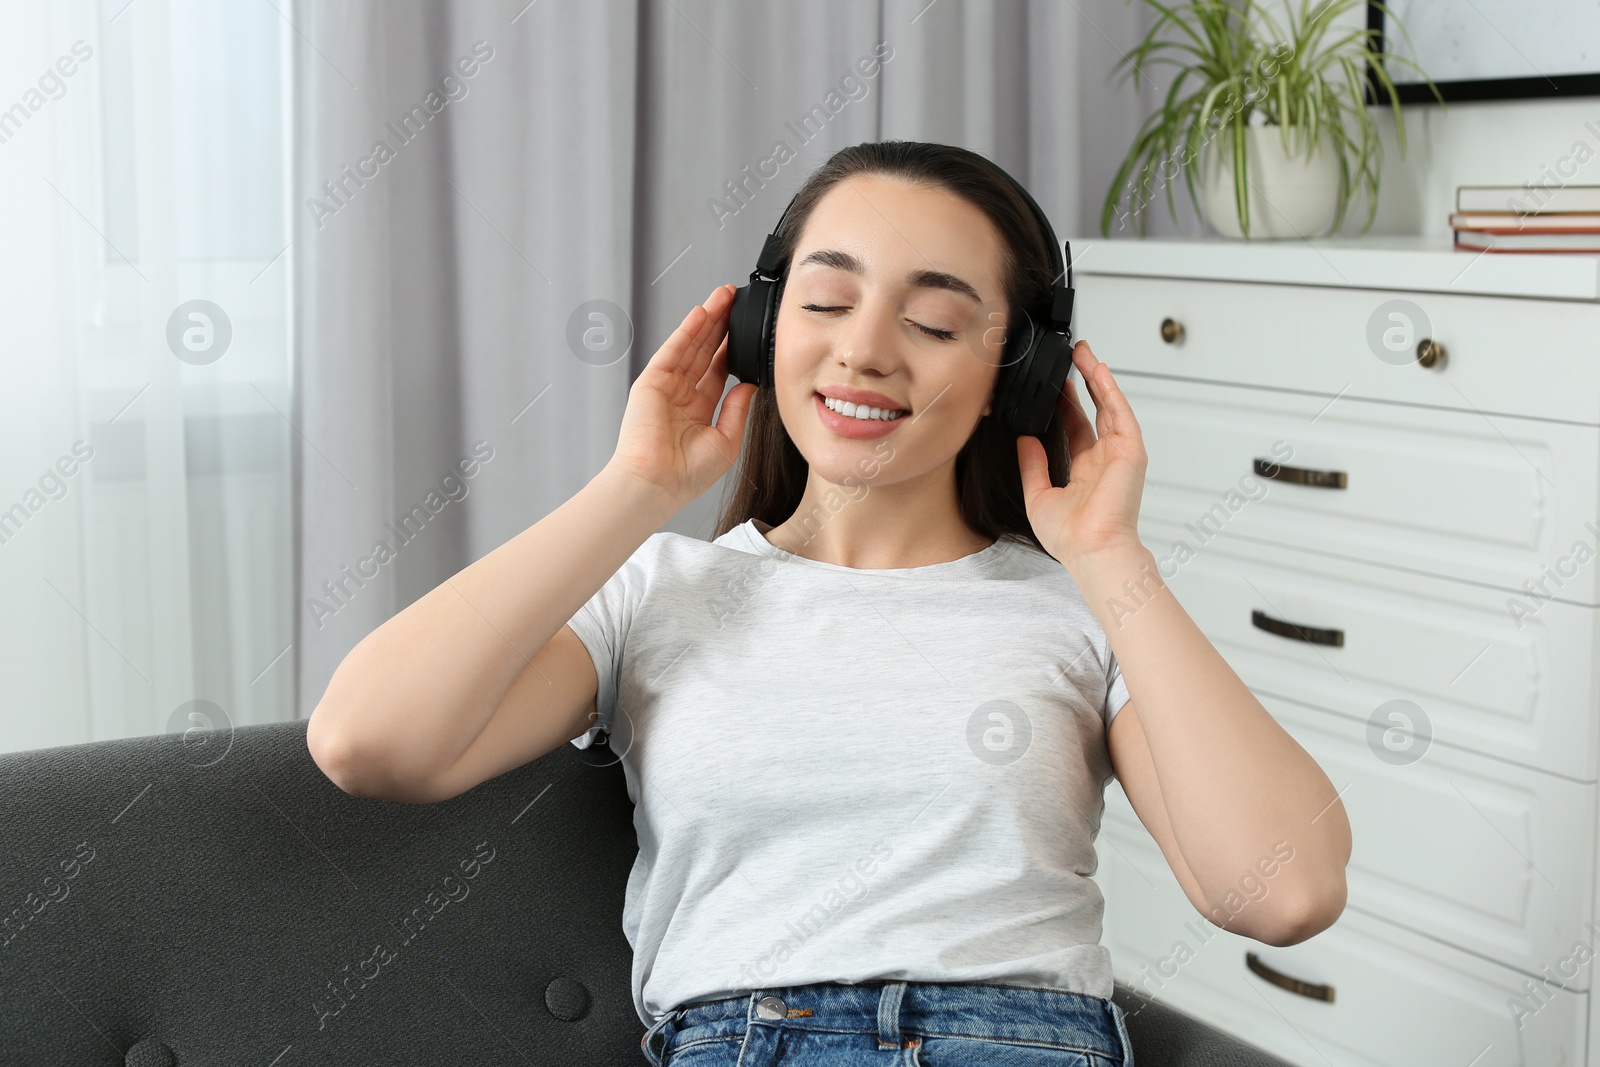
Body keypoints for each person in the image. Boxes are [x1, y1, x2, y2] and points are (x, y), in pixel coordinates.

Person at [306, 140, 1351, 1067]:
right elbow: (370, 739)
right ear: (763, 327)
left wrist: (1115, 558)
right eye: (824, 300)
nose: (864, 349)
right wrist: (637, 487)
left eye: (935, 319)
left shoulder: (1084, 608)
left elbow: (1283, 890)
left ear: (1011, 376)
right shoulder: (658, 590)